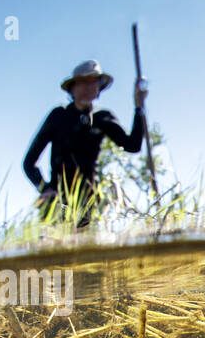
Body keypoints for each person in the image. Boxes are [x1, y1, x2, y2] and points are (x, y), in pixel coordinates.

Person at [23, 60, 148, 227]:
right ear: (72, 88)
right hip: (57, 200)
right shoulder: (58, 116)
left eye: (94, 82)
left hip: (89, 202)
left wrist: (139, 108)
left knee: (86, 244)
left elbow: (133, 145)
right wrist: (45, 189)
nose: (89, 87)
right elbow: (29, 162)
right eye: (84, 82)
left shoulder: (102, 118)